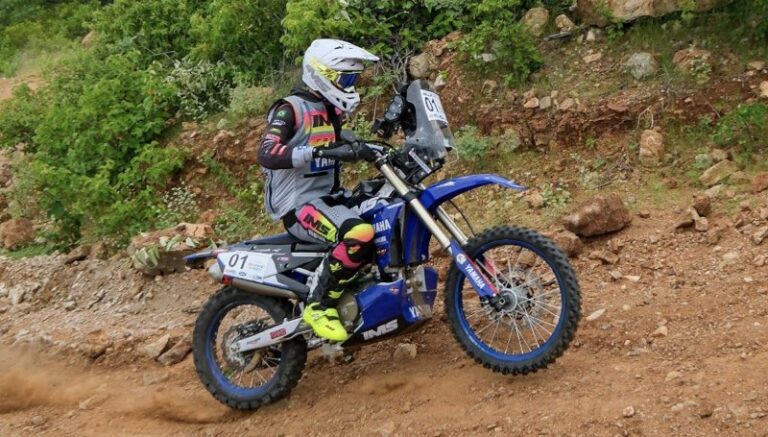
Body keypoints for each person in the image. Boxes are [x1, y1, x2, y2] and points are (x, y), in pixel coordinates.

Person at [257, 39, 379, 342]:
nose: (350, 86)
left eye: (353, 80)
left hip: (329, 198)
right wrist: (313, 152)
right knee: (358, 234)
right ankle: (319, 306)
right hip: (300, 206)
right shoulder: (289, 109)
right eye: (345, 80)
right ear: (321, 75)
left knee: (382, 206)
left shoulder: (329, 110)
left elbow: (336, 142)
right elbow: (267, 152)